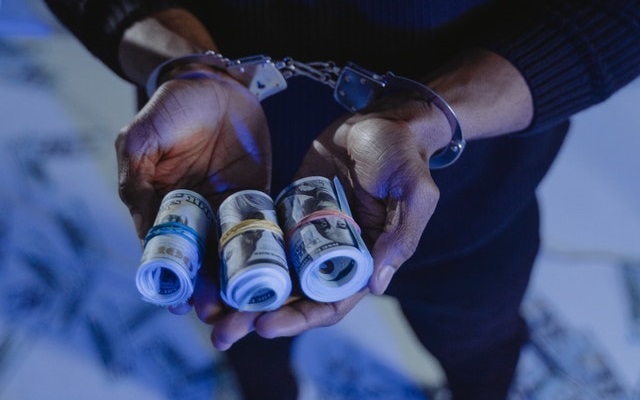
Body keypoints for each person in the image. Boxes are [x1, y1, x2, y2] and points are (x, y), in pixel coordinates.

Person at [44, 1, 640, 399]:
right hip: (210, 169)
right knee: (251, 338)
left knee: (479, 350)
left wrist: (432, 117)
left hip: (472, 199)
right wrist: (187, 64)